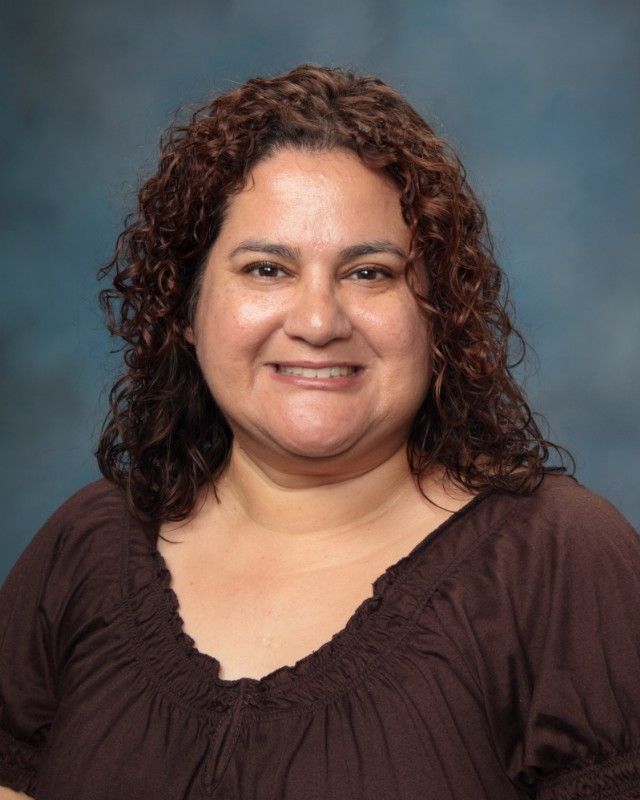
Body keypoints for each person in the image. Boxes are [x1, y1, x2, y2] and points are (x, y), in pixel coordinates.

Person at [1, 64, 639, 800]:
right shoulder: (87, 545)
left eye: (369, 273)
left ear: (441, 314)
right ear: (185, 306)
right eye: (267, 268)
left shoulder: (560, 561)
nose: (317, 322)